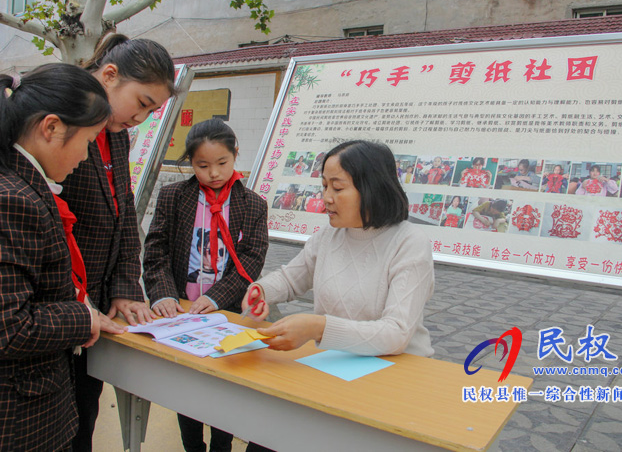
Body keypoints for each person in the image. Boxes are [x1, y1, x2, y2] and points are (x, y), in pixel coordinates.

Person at [59, 34, 176, 451]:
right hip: (63, 305)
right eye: (142, 103)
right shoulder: (62, 119)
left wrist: (126, 286)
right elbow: (50, 224)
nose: (142, 117)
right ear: (109, 75)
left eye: (152, 110)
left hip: (97, 305)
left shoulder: (117, 134)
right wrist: (75, 300)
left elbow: (124, 210)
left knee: (83, 417)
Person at [0, 64, 109, 451]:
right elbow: (8, 326)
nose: (85, 156)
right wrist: (83, 317)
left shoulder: (25, 187)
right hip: (21, 420)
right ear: (51, 128)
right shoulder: (14, 199)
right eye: (88, 140)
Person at [241, 140, 434, 357]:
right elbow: (290, 279)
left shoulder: (409, 243)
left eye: (338, 188)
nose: (326, 198)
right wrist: (262, 291)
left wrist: (318, 327)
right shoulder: (328, 236)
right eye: (324, 186)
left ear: (373, 188)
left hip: (400, 369)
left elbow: (396, 334)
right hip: (337, 362)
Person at [143, 118, 269, 452]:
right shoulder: (174, 197)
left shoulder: (252, 204)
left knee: (225, 386)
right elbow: (155, 251)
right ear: (190, 163)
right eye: (202, 165)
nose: (213, 173)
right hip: (180, 311)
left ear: (236, 155)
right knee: (188, 389)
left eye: (222, 163)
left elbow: (251, 260)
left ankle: (222, 446)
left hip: (224, 312)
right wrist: (163, 294)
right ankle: (192, 446)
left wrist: (216, 298)